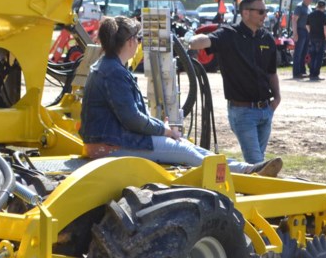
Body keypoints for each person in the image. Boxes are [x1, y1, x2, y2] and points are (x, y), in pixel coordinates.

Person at [80, 16, 283, 176]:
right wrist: (165, 130)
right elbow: (132, 119)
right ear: (131, 41)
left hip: (111, 141)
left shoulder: (109, 67)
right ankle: (245, 172)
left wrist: (164, 130)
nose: (139, 43)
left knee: (186, 146)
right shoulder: (114, 71)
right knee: (185, 152)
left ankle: (245, 169)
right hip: (111, 146)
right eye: (139, 38)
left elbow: (131, 116)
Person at [189, 0, 283, 166]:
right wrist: (190, 41)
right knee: (256, 162)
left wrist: (276, 99)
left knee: (257, 162)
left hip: (266, 110)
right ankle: (257, 188)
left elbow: (271, 72)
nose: (265, 15)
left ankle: (250, 189)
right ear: (246, 13)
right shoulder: (229, 35)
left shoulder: (266, 38)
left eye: (266, 11)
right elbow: (207, 40)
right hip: (243, 112)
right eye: (261, 11)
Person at [305, 0, 326, 81]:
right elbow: (325, 28)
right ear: (324, 7)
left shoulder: (310, 14)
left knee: (312, 55)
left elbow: (307, 25)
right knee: (319, 56)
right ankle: (316, 74)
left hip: (312, 37)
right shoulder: (324, 16)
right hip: (321, 38)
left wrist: (310, 32)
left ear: (317, 6)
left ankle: (311, 73)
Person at [291, 0, 313, 79]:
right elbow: (294, 20)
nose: (309, 1)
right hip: (300, 31)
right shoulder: (299, 7)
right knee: (298, 52)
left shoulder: (309, 8)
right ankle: (296, 72)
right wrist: (295, 33)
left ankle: (302, 70)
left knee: (304, 53)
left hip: (307, 32)